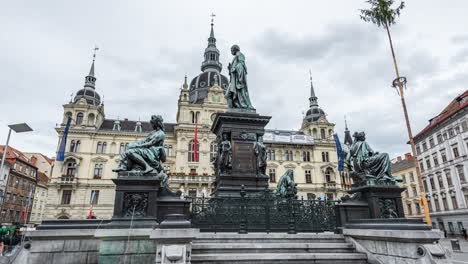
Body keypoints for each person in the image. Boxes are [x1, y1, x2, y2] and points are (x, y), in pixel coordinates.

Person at [225, 45, 254, 109]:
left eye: (231, 50)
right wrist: (230, 69)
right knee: (228, 95)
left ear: (235, 49)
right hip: (234, 80)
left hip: (237, 81)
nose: (231, 51)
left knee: (228, 95)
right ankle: (233, 108)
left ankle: (236, 107)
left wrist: (239, 78)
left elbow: (241, 65)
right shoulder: (236, 56)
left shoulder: (239, 54)